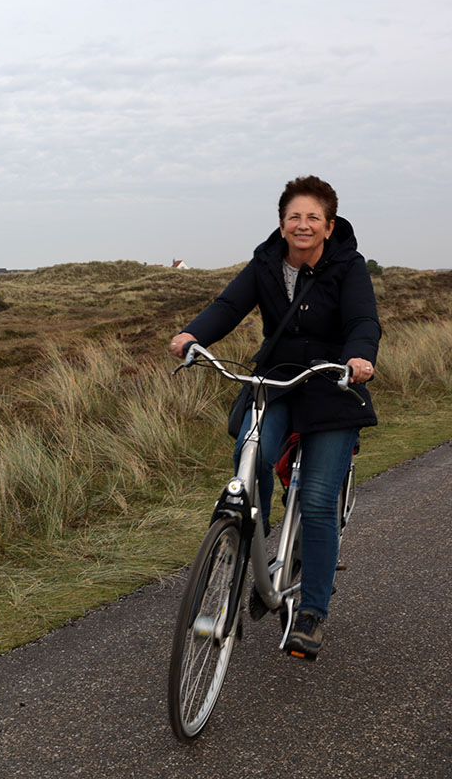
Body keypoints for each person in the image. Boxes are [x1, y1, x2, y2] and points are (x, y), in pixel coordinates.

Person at [168, 175, 380, 659]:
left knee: (320, 498)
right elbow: (229, 306)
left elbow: (363, 321)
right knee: (252, 458)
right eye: (293, 216)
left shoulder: (348, 266)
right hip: (278, 379)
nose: (302, 224)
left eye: (312, 217)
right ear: (281, 223)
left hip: (333, 384)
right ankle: (249, 542)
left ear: (329, 226)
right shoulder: (265, 262)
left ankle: (311, 612)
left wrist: (359, 358)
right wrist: (191, 335)